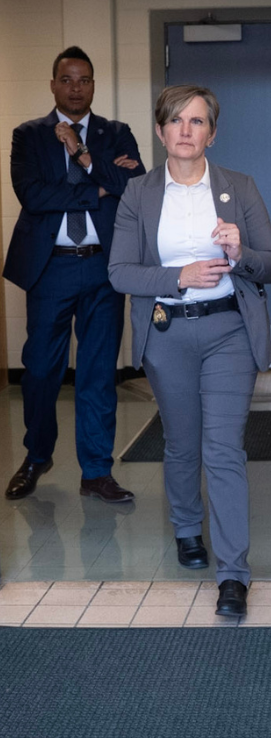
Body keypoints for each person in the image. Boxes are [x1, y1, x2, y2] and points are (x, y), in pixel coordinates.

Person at [108, 85, 271, 617]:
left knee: (224, 448)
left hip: (229, 330)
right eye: (176, 121)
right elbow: (119, 271)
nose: (186, 130)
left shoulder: (239, 187)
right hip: (168, 332)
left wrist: (241, 251)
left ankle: (233, 574)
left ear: (212, 131)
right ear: (161, 132)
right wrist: (177, 276)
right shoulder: (138, 193)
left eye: (198, 121)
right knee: (182, 442)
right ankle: (188, 528)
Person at [3, 46, 144, 503]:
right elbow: (33, 195)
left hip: (103, 268)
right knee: (41, 370)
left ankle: (96, 471)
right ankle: (37, 455)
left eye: (84, 80)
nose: (76, 87)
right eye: (67, 79)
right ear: (53, 85)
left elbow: (133, 186)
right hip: (51, 268)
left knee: (99, 372)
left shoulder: (115, 133)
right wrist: (97, 185)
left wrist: (83, 156)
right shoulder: (28, 135)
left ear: (94, 85)